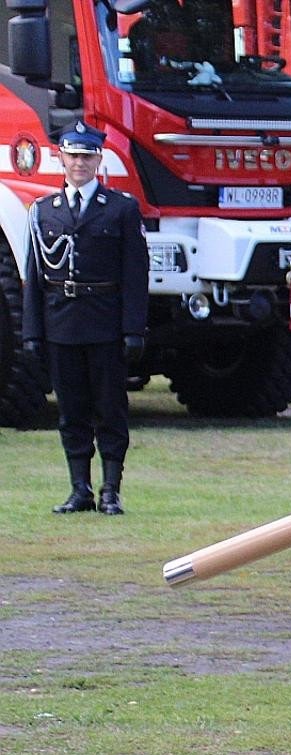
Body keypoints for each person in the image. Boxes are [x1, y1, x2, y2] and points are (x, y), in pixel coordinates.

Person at [21, 122, 149, 516]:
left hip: (105, 322)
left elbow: (135, 274)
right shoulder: (42, 211)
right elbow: (35, 276)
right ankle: (80, 488)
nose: (79, 163)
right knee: (71, 410)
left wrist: (133, 328)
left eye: (87, 156)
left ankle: (111, 489)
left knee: (110, 409)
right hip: (62, 322)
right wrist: (32, 332)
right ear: (60, 157)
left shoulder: (121, 209)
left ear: (98, 159)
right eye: (73, 155)